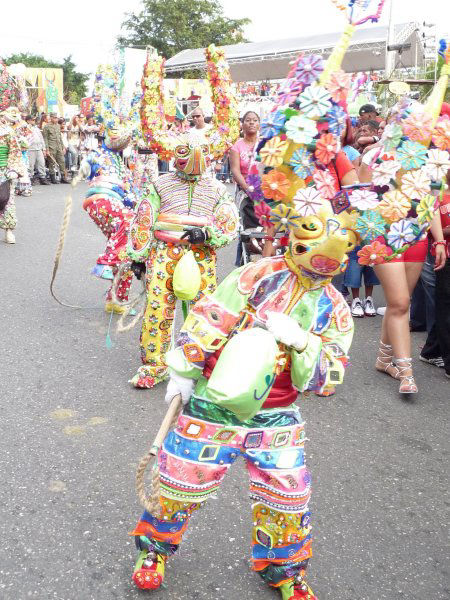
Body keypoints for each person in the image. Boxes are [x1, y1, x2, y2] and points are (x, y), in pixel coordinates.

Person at [127, 134, 239, 389]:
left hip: (201, 254)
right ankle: (155, 365)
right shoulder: (159, 185)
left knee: (203, 310)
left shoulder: (216, 189)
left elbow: (229, 222)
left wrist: (208, 235)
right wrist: (138, 256)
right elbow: (144, 217)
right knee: (158, 307)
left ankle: (200, 363)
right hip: (164, 251)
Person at [419, 169, 450, 378]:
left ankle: (431, 350)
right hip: (444, 256)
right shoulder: (438, 194)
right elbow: (430, 226)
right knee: (446, 308)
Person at [229, 111, 261, 263]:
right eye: (248, 120)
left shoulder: (264, 144)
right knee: (248, 230)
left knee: (265, 228)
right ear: (242, 124)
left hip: (264, 194)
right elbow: (235, 170)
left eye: (255, 120)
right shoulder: (237, 146)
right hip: (246, 193)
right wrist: (247, 188)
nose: (251, 123)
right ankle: (246, 261)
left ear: (259, 124)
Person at [42, 113, 70, 183]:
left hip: (59, 146)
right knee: (52, 163)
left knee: (62, 161)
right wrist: (47, 149)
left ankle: (63, 177)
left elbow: (60, 137)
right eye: (54, 118)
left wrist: (63, 147)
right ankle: (53, 178)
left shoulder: (58, 126)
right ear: (51, 118)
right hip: (51, 147)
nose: (56, 119)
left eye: (56, 118)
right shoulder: (46, 127)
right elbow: (45, 139)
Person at [25, 115, 49, 185]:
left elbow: (41, 138)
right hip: (30, 149)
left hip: (39, 148)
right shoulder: (25, 128)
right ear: (28, 120)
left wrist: (44, 148)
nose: (34, 121)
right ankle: (31, 178)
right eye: (32, 120)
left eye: (34, 120)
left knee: (41, 163)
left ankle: (43, 177)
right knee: (30, 165)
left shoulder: (36, 128)